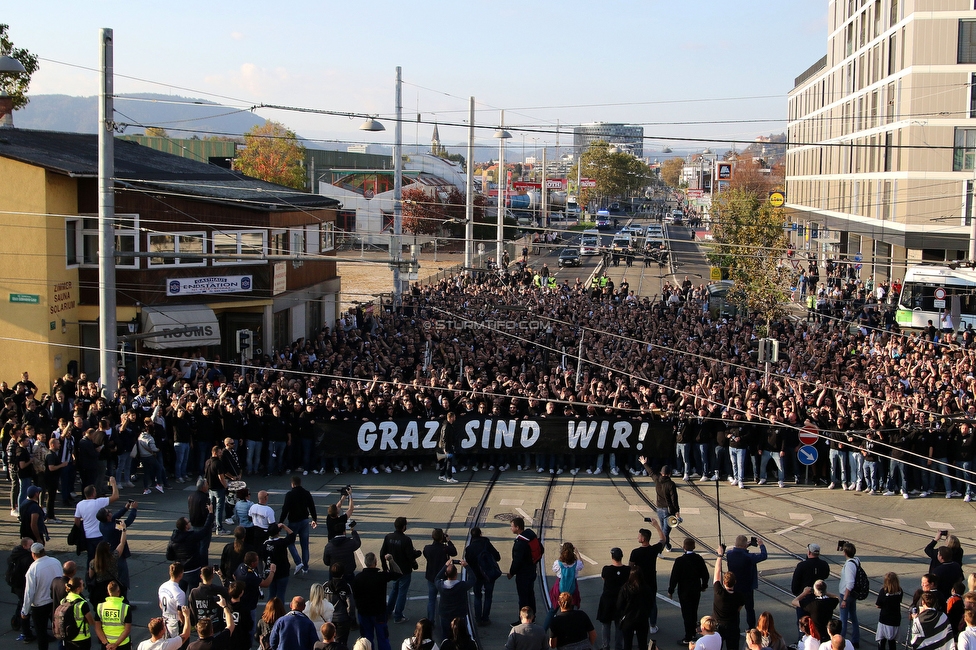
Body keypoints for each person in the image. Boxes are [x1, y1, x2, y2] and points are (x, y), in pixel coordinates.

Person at [353, 552, 401, 650]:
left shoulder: (358, 578)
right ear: (375, 563)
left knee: (366, 639)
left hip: (364, 613)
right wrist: (391, 560)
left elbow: (355, 596)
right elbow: (398, 573)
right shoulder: (381, 576)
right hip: (379, 613)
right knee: (383, 638)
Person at [669, 537, 710, 645]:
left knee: (686, 614)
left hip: (684, 591)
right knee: (693, 611)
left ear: (684, 547)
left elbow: (674, 577)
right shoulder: (699, 559)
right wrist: (704, 585)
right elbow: (705, 574)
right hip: (696, 590)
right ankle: (693, 633)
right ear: (694, 547)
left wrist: (671, 590)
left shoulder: (680, 561)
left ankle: (688, 637)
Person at [22, 542, 62, 650]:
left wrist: (25, 611)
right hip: (55, 602)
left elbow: (29, 592)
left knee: (41, 633)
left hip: (40, 605)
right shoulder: (56, 562)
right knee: (60, 629)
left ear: (33, 554)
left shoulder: (33, 569)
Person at [381, 516, 421, 624]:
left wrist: (385, 568)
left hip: (393, 569)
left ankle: (388, 611)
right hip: (405, 570)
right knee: (402, 592)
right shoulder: (406, 540)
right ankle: (398, 615)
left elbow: (382, 553)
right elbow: (409, 556)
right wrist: (416, 556)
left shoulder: (388, 537)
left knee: (394, 589)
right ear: (404, 527)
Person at [628, 521, 665, 635]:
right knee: (652, 604)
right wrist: (657, 526)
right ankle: (652, 625)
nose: (637, 537)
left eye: (639, 536)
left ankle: (635, 625)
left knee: (637, 604)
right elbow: (663, 540)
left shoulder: (635, 552)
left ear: (643, 538)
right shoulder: (654, 550)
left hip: (638, 582)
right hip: (651, 581)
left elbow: (630, 566)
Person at [74, 478, 121, 564]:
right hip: (100, 535)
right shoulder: (98, 502)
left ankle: (90, 574)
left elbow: (77, 520)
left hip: (88, 536)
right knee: (103, 557)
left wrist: (81, 529)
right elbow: (115, 496)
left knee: (91, 558)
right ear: (93, 493)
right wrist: (113, 483)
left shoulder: (80, 504)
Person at [726, 535, 768, 629]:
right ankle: (751, 627)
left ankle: (734, 627)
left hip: (735, 586)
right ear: (745, 545)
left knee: (735, 609)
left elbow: (738, 550)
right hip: (747, 587)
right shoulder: (750, 557)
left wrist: (746, 545)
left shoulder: (729, 554)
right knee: (749, 609)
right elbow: (764, 556)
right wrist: (761, 545)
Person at [280, 475, 318, 575]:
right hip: (304, 521)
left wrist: (281, 521)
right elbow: (312, 507)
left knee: (290, 542)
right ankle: (305, 567)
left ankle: (298, 561)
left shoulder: (290, 494)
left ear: (292, 484)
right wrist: (314, 519)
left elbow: (285, 509)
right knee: (304, 544)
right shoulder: (306, 493)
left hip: (293, 522)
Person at [463, 526, 501, 626]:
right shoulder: (486, 543)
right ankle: (486, 617)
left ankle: (478, 618)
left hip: (476, 575)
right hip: (489, 574)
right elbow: (497, 557)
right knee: (488, 596)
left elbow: (468, 564)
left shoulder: (469, 548)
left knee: (477, 596)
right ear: (481, 534)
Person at [640, 456, 680, 551]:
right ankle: (659, 550)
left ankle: (667, 545)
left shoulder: (657, 479)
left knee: (663, 529)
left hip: (659, 509)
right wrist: (677, 511)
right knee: (665, 532)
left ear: (661, 473)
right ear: (669, 474)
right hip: (668, 511)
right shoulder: (671, 484)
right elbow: (674, 499)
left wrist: (644, 463)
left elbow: (651, 472)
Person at [508, 516, 541, 625]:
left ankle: (523, 619)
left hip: (523, 574)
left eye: (512, 526)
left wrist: (511, 573)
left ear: (517, 527)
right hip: (531, 571)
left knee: (523, 598)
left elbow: (517, 561)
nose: (511, 528)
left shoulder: (520, 543)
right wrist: (533, 562)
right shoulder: (530, 535)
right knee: (530, 595)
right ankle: (533, 616)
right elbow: (541, 549)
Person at [713, 544, 745, 650]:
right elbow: (738, 609)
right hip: (733, 626)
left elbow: (717, 572)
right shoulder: (739, 596)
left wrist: (720, 556)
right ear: (734, 582)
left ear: (724, 582)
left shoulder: (719, 592)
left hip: (719, 625)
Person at [433, 558, 473, 642]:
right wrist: (466, 566)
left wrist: (445, 566)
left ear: (446, 574)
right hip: (459, 614)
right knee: (461, 635)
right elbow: (473, 579)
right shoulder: (462, 585)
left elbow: (436, 578)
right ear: (456, 574)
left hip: (445, 614)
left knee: (445, 636)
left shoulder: (441, 585)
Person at [423, 529, 457, 622]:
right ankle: (445, 619)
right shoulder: (444, 548)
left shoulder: (427, 548)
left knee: (431, 600)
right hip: (443, 578)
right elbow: (454, 552)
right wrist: (449, 541)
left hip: (431, 577)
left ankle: (430, 620)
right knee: (444, 599)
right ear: (442, 537)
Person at [791, 544, 831, 623]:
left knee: (803, 623)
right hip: (819, 598)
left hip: (805, 599)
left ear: (809, 552)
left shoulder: (802, 566)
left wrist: (798, 594)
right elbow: (826, 576)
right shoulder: (824, 564)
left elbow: (795, 583)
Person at [597, 547, 627, 650]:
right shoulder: (627, 570)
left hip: (607, 601)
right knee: (619, 625)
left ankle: (606, 646)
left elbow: (603, 578)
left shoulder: (606, 569)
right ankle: (619, 646)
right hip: (621, 601)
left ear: (612, 557)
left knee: (606, 625)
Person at [615, 567, 652, 650]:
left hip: (628, 620)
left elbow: (619, 605)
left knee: (627, 644)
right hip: (642, 619)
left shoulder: (625, 588)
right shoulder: (646, 588)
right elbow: (650, 604)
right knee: (642, 644)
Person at [188, 566, 229, 634]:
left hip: (201, 626)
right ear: (212, 576)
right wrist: (222, 577)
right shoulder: (218, 590)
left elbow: (192, 608)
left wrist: (193, 623)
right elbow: (228, 590)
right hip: (216, 626)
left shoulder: (194, 592)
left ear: (201, 576)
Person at [262, 522, 297, 602]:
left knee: (271, 594)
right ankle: (280, 611)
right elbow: (292, 535)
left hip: (270, 572)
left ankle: (269, 611)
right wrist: (284, 526)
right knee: (281, 594)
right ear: (278, 532)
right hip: (282, 572)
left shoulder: (265, 544)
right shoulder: (281, 543)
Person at [94, 580, 132, 650]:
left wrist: (106, 643)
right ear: (119, 592)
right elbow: (127, 630)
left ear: (108, 592)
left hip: (106, 645)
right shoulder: (125, 608)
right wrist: (116, 644)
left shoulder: (100, 607)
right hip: (122, 644)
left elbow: (97, 628)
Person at [8, 537, 35, 639]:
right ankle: (20, 623)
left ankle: (17, 621)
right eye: (30, 545)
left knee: (21, 603)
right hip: (22, 585)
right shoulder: (26, 558)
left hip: (17, 585)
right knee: (24, 605)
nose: (32, 547)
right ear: (24, 546)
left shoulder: (16, 554)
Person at [61, 576, 97, 650]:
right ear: (78, 589)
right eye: (82, 585)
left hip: (68, 637)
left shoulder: (63, 600)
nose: (83, 587)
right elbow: (91, 622)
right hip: (82, 638)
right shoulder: (82, 603)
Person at [325, 563, 354, 647]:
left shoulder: (326, 586)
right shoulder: (346, 587)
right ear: (342, 574)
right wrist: (351, 617)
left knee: (328, 643)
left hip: (329, 618)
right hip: (342, 619)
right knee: (341, 644)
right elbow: (350, 604)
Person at [838, 542, 861, 648]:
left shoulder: (849, 565)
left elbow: (850, 583)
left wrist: (844, 599)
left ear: (845, 552)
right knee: (853, 616)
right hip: (853, 595)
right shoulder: (856, 560)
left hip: (846, 595)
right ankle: (855, 639)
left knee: (843, 619)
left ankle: (840, 642)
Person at [158, 562, 187, 639]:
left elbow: (160, 604)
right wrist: (185, 623)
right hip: (175, 623)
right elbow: (180, 613)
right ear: (180, 574)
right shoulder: (180, 593)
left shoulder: (162, 587)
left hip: (165, 620)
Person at [875, 572, 903, 650]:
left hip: (884, 620)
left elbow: (878, 605)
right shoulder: (900, 591)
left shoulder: (883, 592)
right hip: (895, 620)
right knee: (892, 642)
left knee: (882, 641)